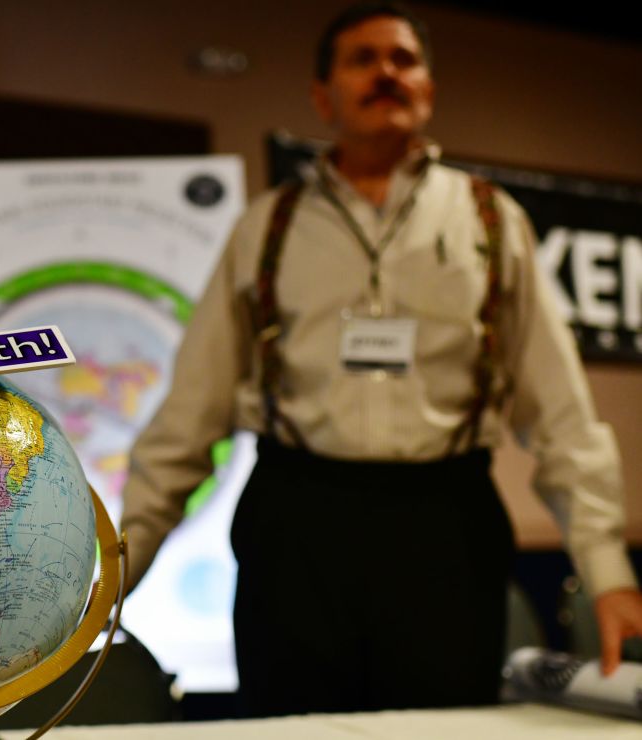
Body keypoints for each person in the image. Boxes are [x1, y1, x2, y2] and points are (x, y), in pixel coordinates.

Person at [119, 0, 642, 717]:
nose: (386, 73)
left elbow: (561, 412)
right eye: (363, 59)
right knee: (290, 731)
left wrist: (606, 571)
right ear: (321, 96)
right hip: (296, 527)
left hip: (446, 531)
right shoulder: (267, 225)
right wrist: (123, 567)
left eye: (405, 59)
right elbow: (190, 412)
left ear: (429, 87)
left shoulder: (491, 219)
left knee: (445, 730)